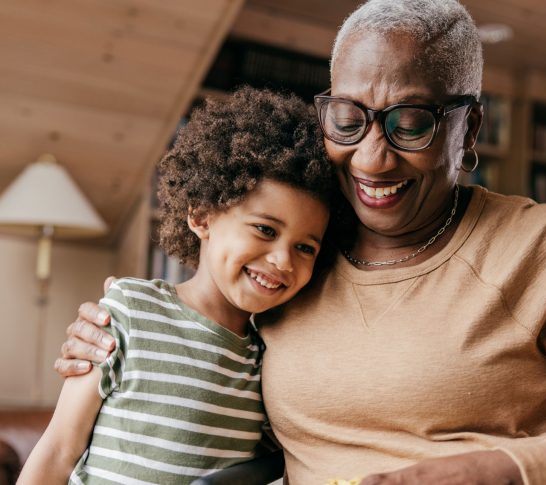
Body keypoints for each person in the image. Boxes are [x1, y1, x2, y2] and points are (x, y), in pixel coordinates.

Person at [55, 1, 546, 484]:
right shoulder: (301, 253)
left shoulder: (545, 247)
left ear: (470, 127)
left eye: (411, 122)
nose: (372, 158)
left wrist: (500, 471)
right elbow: (199, 343)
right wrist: (119, 330)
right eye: (347, 118)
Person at [18, 86, 336, 484]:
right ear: (201, 216)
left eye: (305, 247)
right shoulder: (130, 310)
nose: (283, 260)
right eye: (264, 229)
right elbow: (58, 449)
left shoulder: (269, 359)